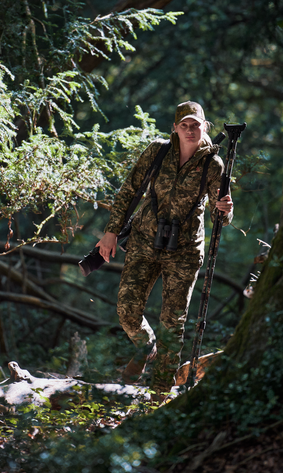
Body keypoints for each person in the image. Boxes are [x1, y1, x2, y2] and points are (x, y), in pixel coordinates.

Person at [96, 101, 233, 397]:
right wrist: (111, 232)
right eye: (183, 125)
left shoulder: (213, 164)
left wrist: (225, 209)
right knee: (127, 309)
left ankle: (159, 395)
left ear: (204, 126)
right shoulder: (157, 150)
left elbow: (220, 213)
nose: (189, 130)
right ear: (174, 128)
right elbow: (129, 190)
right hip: (145, 239)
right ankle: (146, 346)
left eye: (195, 124)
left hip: (184, 250)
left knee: (173, 322)